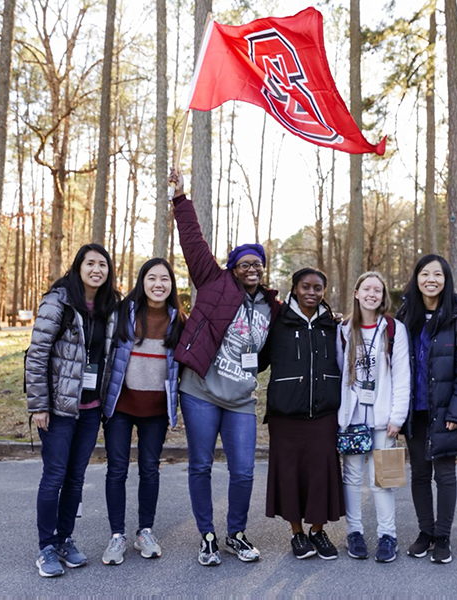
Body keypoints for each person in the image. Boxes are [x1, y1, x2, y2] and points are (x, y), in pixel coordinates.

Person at [168, 168, 282, 567]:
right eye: (244, 263)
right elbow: (193, 242)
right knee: (200, 465)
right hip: (199, 391)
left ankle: (236, 532)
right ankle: (208, 536)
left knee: (244, 471)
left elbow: (298, 330)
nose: (252, 268)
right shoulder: (213, 282)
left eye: (258, 264)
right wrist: (181, 200)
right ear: (233, 267)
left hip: (240, 400)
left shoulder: (273, 308)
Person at [25, 243, 120, 577]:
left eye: (103, 265)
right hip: (59, 408)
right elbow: (36, 354)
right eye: (90, 263)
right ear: (78, 266)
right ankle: (46, 547)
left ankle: (65, 539)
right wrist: (39, 406)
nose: (97, 269)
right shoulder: (58, 300)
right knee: (54, 476)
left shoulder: (111, 305)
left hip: (91, 407)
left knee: (76, 478)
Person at [395, 254, 457, 565]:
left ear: (446, 281)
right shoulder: (405, 317)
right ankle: (426, 532)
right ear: (416, 279)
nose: (431, 279)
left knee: (445, 475)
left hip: (446, 413)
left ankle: (443, 536)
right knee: (419, 473)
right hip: (414, 412)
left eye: (438, 275)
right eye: (424, 274)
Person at [100, 258, 186, 565]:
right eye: (152, 278)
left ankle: (144, 531)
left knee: (150, 469)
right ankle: (117, 535)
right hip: (120, 407)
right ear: (142, 281)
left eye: (165, 279)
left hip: (156, 410)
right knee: (117, 469)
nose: (158, 284)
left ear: (171, 285)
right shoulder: (124, 312)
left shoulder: (178, 320)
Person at [262, 267, 344, 560]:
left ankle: (317, 531)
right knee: (290, 474)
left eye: (318, 288)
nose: (312, 292)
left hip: (324, 413)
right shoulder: (277, 322)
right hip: (286, 414)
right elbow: (258, 360)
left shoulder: (333, 325)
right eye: (306, 286)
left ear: (324, 291)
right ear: (294, 288)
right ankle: (297, 533)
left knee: (321, 473)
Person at [336, 271, 410, 563]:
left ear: (383, 296)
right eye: (366, 288)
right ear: (356, 293)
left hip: (384, 420)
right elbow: (341, 373)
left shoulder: (394, 329)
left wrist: (397, 417)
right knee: (352, 477)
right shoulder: (343, 329)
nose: (371, 294)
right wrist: (342, 415)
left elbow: (402, 375)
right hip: (353, 418)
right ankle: (354, 532)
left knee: (383, 478)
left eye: (377, 290)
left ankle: (387, 536)